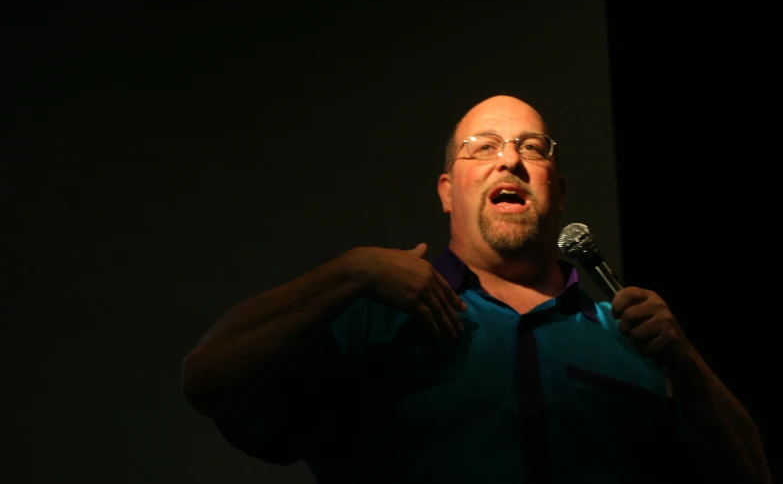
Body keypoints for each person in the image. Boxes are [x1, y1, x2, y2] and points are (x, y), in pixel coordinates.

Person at [181, 95, 771, 483]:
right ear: (447, 190)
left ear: (558, 190)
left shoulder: (628, 335)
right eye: (483, 147)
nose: (509, 160)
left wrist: (686, 361)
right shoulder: (375, 314)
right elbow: (208, 377)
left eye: (532, 148)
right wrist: (349, 270)